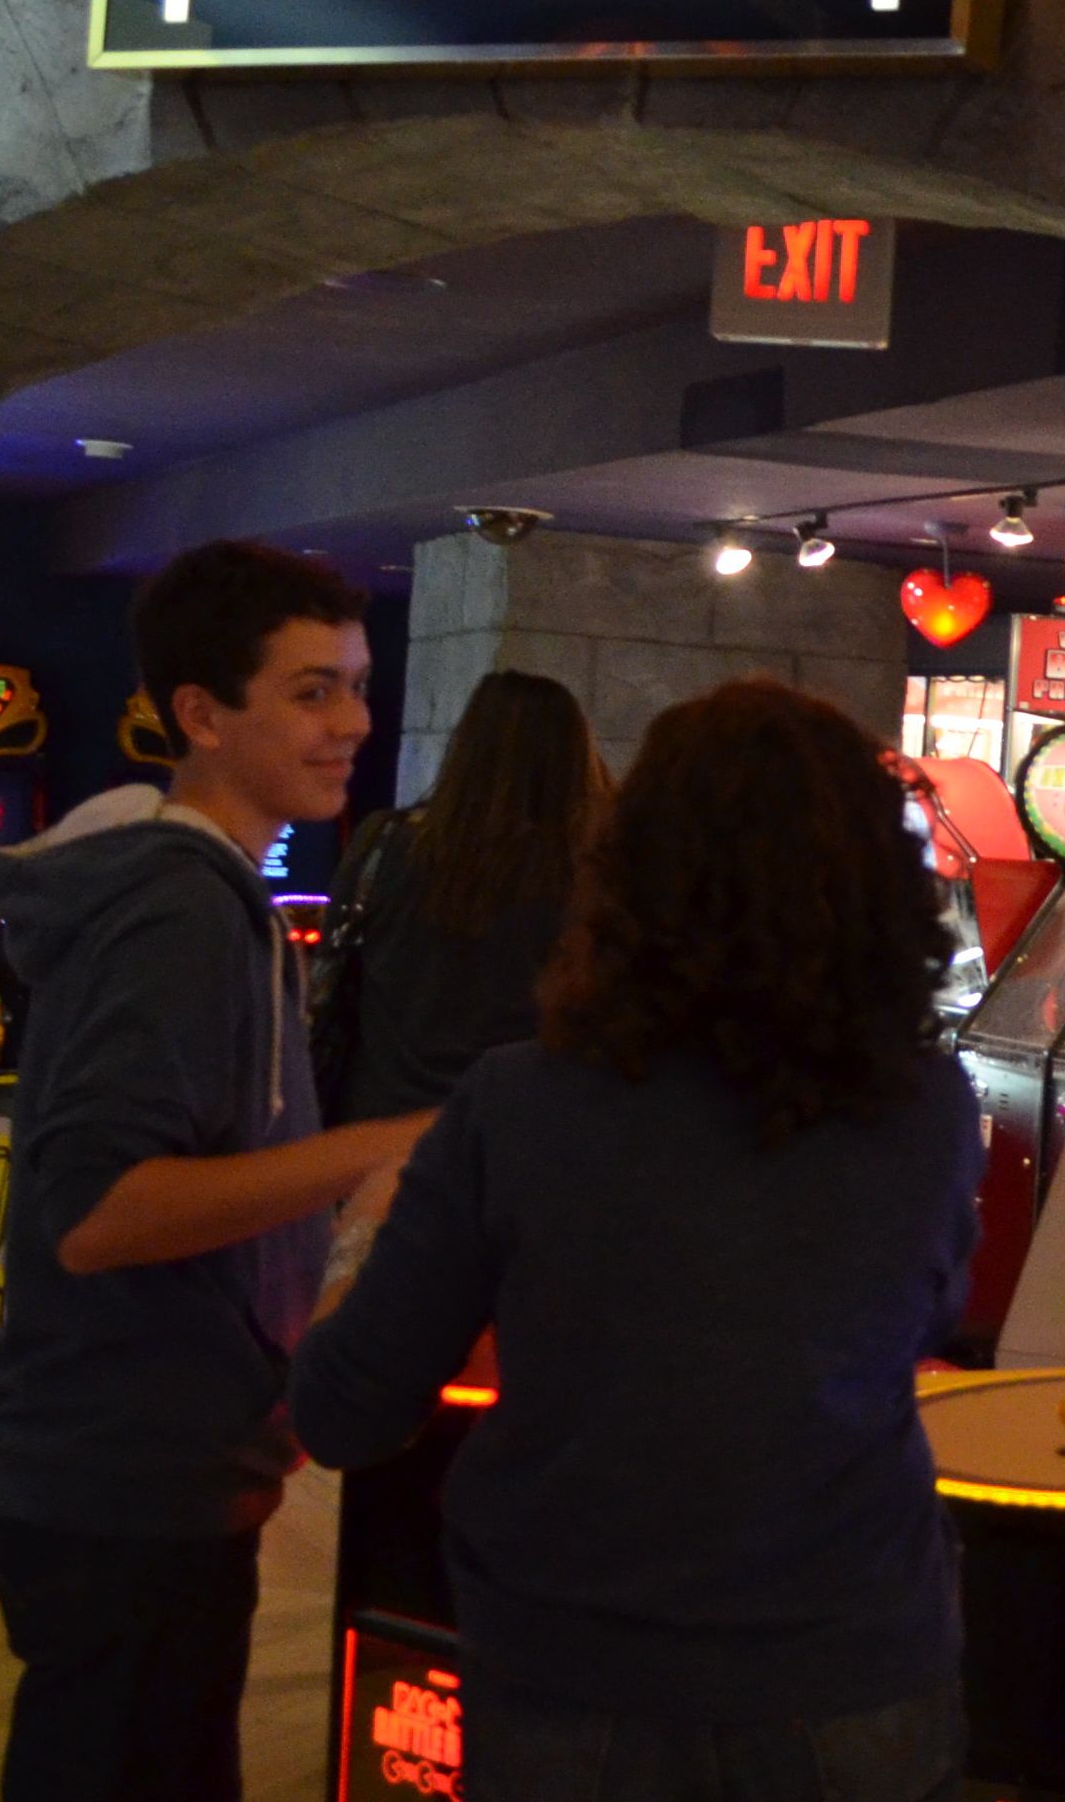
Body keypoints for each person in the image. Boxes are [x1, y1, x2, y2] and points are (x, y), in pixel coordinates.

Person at [293, 679, 982, 1802]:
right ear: (879, 884)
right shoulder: (931, 1108)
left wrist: (361, 1229)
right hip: (852, 1661)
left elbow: (344, 1410)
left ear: (627, 872)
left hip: (576, 1664)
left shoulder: (518, 1102)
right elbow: (918, 1317)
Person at [0, 541, 433, 1802]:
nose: (353, 722)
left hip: (150, 1458)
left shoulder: (201, 891)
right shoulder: (179, 908)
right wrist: (384, 1142)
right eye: (311, 691)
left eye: (356, 685)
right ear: (201, 713)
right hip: (124, 1464)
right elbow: (96, 1212)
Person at [321, 670, 608, 1121]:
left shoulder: (384, 842)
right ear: (575, 757)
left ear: (467, 746)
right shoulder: (589, 874)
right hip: (521, 1127)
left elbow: (335, 968)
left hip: (377, 1124)